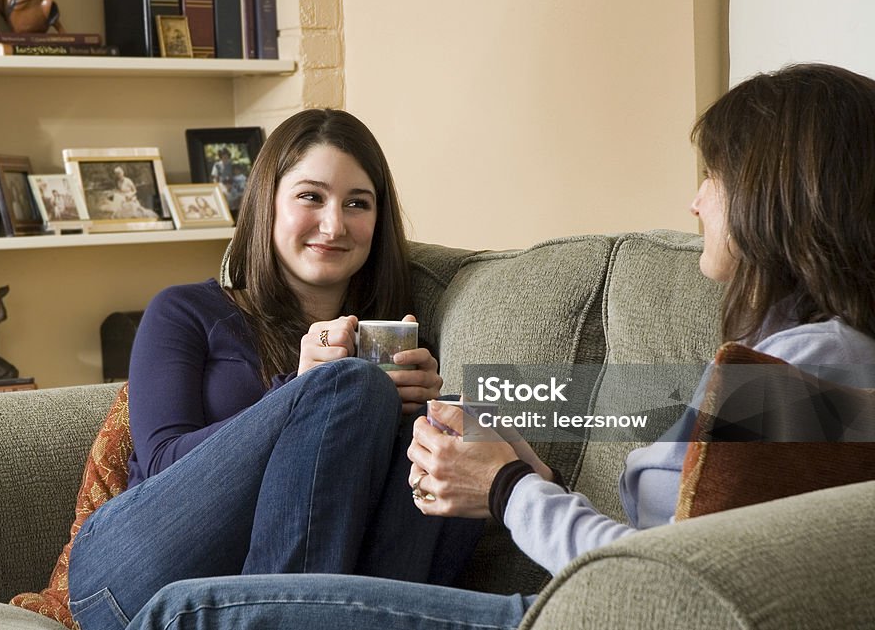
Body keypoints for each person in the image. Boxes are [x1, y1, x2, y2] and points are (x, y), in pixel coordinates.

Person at [124, 63, 875, 630]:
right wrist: (522, 457)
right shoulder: (792, 363)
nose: (694, 201)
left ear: (777, 200)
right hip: (587, 590)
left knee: (186, 613)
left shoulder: (789, 374)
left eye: (712, 177)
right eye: (310, 197)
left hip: (581, 609)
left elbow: (659, 577)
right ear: (265, 205)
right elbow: (657, 527)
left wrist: (510, 479)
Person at [67, 109, 486, 630]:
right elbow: (161, 464)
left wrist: (434, 422)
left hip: (263, 596)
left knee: (444, 428)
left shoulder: (395, 344)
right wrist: (301, 390)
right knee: (350, 386)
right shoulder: (184, 310)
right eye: (310, 196)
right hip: (129, 571)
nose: (333, 225)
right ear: (267, 201)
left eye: (357, 204)